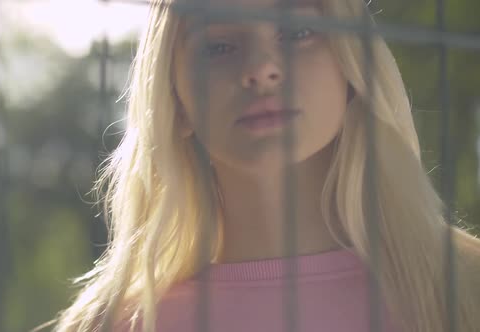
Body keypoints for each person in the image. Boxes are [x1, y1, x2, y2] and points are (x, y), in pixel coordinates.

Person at [48, 0, 480, 331]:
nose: (260, 69)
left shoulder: (460, 292)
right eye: (218, 46)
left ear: (352, 70)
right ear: (175, 101)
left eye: (298, 32)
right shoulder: (117, 324)